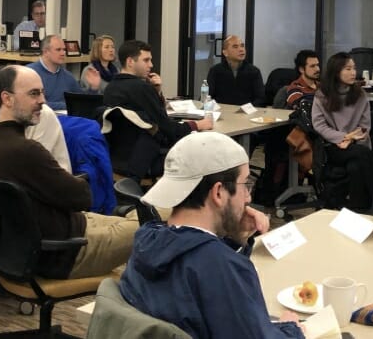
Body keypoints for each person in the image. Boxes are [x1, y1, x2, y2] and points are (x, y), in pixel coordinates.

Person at [119, 132, 303, 339]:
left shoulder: (147, 240)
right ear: (218, 192)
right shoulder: (219, 266)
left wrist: (234, 240)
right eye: (245, 185)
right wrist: (291, 329)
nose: (248, 197)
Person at [0, 65, 139, 279]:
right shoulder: (26, 150)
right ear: (7, 99)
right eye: (33, 94)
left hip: (57, 236)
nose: (42, 101)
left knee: (146, 216)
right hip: (69, 251)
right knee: (165, 217)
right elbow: (83, 197)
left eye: (42, 92)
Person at [104, 40, 213, 148]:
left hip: (119, 151)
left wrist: (156, 91)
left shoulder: (110, 87)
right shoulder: (141, 88)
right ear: (130, 62)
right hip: (147, 150)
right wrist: (196, 124)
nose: (151, 65)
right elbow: (167, 128)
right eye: (146, 60)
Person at [311, 52, 373, 211]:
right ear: (336, 71)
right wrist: (343, 137)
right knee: (363, 155)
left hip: (356, 143)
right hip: (333, 146)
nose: (353, 72)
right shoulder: (322, 96)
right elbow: (320, 126)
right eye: (348, 69)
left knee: (355, 166)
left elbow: (365, 127)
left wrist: (350, 140)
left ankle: (358, 208)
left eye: (354, 68)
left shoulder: (360, 94)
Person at [0, 67, 71, 172]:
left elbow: (35, 160)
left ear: (6, 97)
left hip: (47, 181)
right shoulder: (13, 116)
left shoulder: (39, 114)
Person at [27, 35, 102, 110]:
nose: (63, 53)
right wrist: (67, 105)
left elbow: (81, 101)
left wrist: (93, 88)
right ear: (46, 52)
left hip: (64, 118)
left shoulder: (67, 76)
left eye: (64, 49)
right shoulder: (30, 73)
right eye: (58, 50)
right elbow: (33, 102)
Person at [206, 35, 265, 106]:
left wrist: (247, 109)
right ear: (225, 53)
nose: (241, 49)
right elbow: (207, 96)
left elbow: (261, 99)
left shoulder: (254, 71)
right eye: (235, 47)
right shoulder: (215, 71)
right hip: (222, 111)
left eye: (242, 46)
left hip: (247, 113)